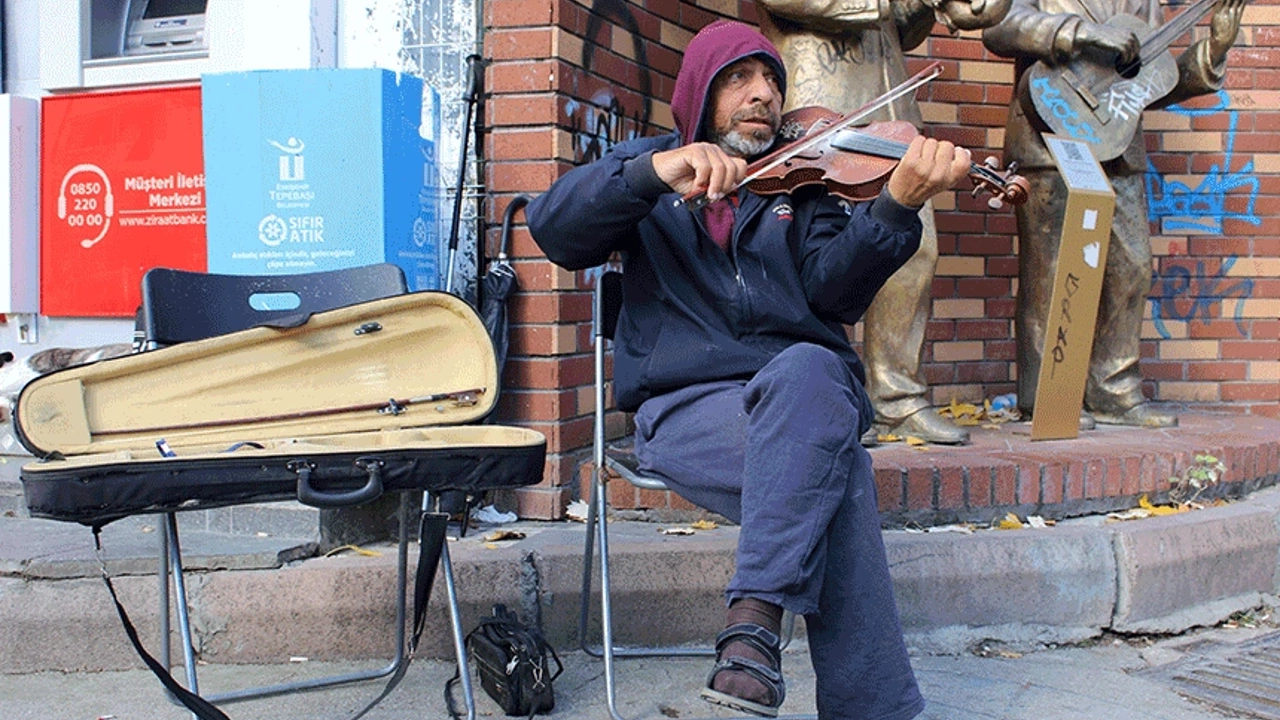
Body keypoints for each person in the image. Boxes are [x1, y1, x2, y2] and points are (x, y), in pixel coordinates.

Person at [526, 19, 970, 720]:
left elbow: (836, 296)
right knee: (838, 469)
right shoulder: (649, 174)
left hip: (804, 397)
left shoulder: (808, 185)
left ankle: (751, 636)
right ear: (701, 93)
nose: (763, 93)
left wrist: (895, 207)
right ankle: (870, 706)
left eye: (771, 80)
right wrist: (648, 175)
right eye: (740, 78)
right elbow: (553, 228)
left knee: (811, 370)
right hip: (688, 413)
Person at [756, 0, 1013, 445]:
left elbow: (902, 30)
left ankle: (897, 397)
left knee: (915, 245)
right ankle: (823, 399)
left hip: (890, 107)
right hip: (819, 106)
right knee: (814, 253)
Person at [982, 0, 1245, 427]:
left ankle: (1115, 391)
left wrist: (1211, 51)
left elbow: (1149, 80)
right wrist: (1081, 33)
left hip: (1118, 145)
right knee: (1050, 273)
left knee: (1133, 267)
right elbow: (998, 26)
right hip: (1049, 135)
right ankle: (1050, 397)